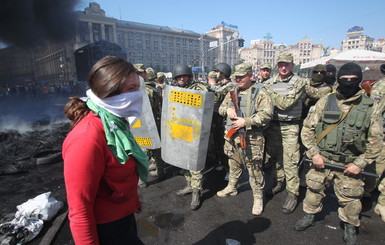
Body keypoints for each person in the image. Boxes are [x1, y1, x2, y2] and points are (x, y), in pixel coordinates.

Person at [294, 62, 383, 244]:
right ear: (338, 79)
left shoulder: (369, 107)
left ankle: (349, 225)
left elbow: (375, 141)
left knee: (351, 199)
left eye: (353, 79)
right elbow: (307, 130)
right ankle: (310, 216)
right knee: (313, 191)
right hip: (323, 159)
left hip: (350, 163)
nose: (348, 82)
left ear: (360, 80)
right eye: (344, 79)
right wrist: (314, 154)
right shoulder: (326, 101)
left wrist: (359, 164)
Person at [62, 56, 147, 244]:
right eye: (132, 89)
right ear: (110, 92)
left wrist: (133, 201)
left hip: (123, 220)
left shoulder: (114, 123)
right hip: (106, 231)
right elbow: (79, 209)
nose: (138, 95)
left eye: (138, 87)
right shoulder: (86, 139)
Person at [216, 63, 273, 215]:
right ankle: (232, 187)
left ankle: (258, 198)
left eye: (242, 76)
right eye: (237, 77)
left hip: (251, 137)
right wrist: (227, 110)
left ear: (250, 75)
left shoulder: (260, 92)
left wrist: (246, 121)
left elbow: (266, 115)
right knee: (233, 163)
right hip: (232, 136)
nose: (239, 79)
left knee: (254, 169)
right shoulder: (232, 91)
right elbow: (221, 109)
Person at [264, 53, 307, 214]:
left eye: (287, 65)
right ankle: (278, 182)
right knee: (275, 159)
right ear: (277, 65)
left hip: (290, 127)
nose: (283, 67)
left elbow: (285, 104)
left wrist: (268, 90)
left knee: (290, 161)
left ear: (292, 65)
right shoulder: (270, 82)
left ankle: (292, 194)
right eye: (281, 64)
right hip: (273, 126)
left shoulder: (299, 82)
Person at [172, 64, 212, 210]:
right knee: (183, 162)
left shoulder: (199, 88)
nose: (182, 78)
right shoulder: (174, 89)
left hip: (195, 131)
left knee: (195, 164)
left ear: (190, 76)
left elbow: (207, 102)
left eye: (184, 76)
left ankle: (196, 191)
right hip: (179, 130)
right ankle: (189, 185)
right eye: (179, 76)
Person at [362, 63, 385, 222]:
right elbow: (374, 114)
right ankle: (368, 194)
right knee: (376, 167)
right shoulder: (381, 87)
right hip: (381, 134)